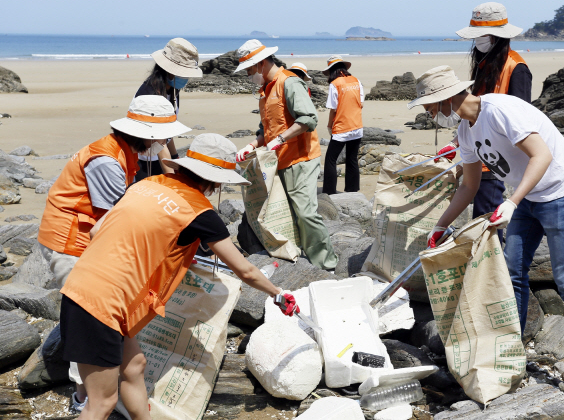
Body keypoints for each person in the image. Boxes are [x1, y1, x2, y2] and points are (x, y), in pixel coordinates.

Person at [59, 133, 298, 419]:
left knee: (134, 366)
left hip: (83, 285)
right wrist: (278, 293)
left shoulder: (145, 184)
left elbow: (98, 231)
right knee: (101, 403)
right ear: (216, 180)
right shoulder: (199, 212)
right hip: (101, 305)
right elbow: (244, 269)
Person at [408, 66, 564, 407]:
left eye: (429, 106)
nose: (428, 113)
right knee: (512, 274)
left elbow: (541, 156)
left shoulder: (499, 110)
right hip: (527, 198)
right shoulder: (466, 131)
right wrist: (441, 226)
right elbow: (469, 185)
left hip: (562, 191)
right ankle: (511, 352)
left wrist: (511, 202)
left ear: (447, 98)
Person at [37, 95, 187, 411]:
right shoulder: (107, 160)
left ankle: (96, 393)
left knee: (92, 316)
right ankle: (85, 399)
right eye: (162, 136)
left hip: (85, 237)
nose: (164, 142)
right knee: (90, 314)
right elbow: (113, 223)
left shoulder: (124, 151)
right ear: (146, 134)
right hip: (70, 242)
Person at [234, 40, 338, 271]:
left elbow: (309, 118)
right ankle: (300, 257)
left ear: (260, 64)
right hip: (279, 161)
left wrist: (280, 139)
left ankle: (326, 264)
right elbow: (266, 130)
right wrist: (251, 145)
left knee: (305, 212)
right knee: (287, 213)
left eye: (249, 70)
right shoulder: (266, 90)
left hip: (301, 159)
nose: (249, 76)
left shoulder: (289, 83)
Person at [437, 2, 532, 241]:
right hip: (480, 153)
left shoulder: (517, 68)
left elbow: (522, 118)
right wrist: (456, 141)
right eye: (476, 35)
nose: (478, 40)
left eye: (483, 34)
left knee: (487, 220)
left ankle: (491, 272)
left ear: (499, 36)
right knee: (482, 217)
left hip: (497, 158)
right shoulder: (484, 64)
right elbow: (472, 109)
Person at [135, 38, 203, 180]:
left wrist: (175, 157)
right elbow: (158, 143)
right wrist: (173, 179)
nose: (187, 78)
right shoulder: (150, 94)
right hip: (142, 161)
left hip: (159, 156)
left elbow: (166, 133)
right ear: (170, 71)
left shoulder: (172, 90)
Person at [321, 55, 364, 195]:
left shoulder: (335, 84)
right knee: (352, 159)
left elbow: (333, 108)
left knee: (330, 160)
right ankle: (352, 190)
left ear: (332, 70)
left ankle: (329, 192)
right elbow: (361, 103)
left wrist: (329, 125)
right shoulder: (356, 80)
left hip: (341, 127)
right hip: (357, 126)